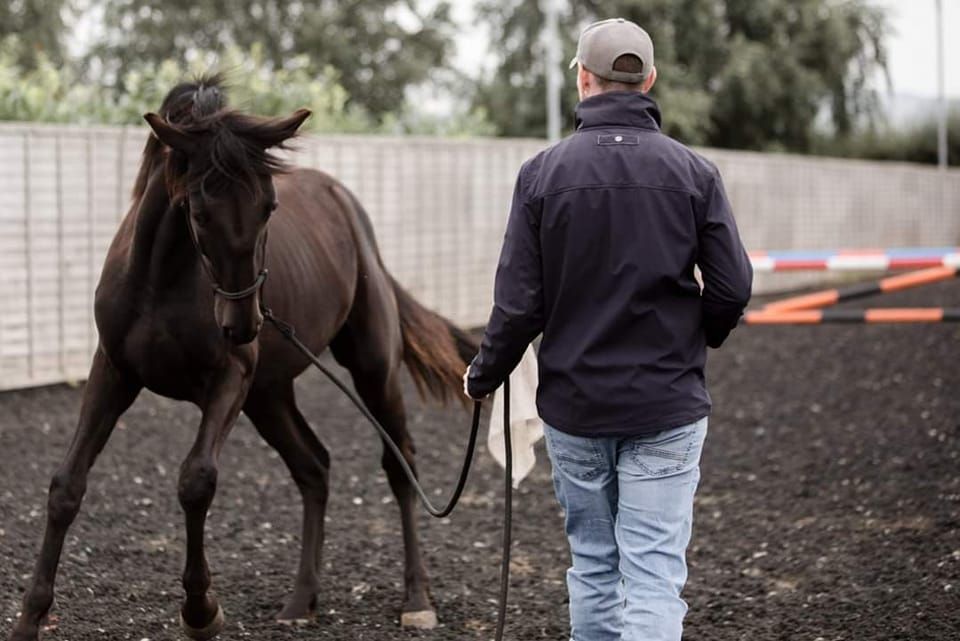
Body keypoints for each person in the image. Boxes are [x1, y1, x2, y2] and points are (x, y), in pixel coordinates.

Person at [463, 17, 753, 641]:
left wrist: (482, 375)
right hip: (667, 407)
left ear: (583, 79)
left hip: (575, 409)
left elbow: (518, 306)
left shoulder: (541, 175)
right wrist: (692, 338)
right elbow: (733, 288)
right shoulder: (695, 174)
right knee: (652, 577)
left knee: (594, 570)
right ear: (649, 80)